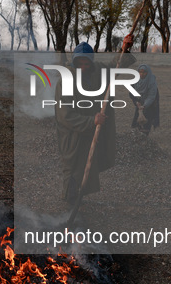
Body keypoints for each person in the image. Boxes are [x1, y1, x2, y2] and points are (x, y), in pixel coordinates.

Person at [55, 37, 134, 204]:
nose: (83, 67)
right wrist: (92, 121)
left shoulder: (98, 70)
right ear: (74, 62)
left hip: (91, 130)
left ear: (91, 62)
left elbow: (115, 66)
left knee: (86, 166)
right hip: (73, 133)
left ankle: (78, 199)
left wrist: (124, 49)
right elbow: (65, 115)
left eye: (87, 63)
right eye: (80, 64)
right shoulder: (66, 80)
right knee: (72, 168)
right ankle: (69, 205)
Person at [130, 64, 159, 135]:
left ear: (148, 73)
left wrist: (145, 105)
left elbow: (152, 96)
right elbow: (131, 93)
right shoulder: (136, 81)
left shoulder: (151, 82)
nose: (142, 74)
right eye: (140, 72)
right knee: (138, 120)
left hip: (150, 104)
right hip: (139, 103)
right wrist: (136, 102)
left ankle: (145, 136)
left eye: (144, 72)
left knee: (147, 120)